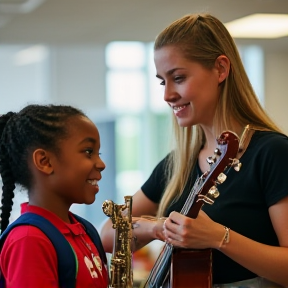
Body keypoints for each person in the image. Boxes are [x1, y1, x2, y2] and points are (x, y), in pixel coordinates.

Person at [100, 13, 288, 287]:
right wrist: (157, 227)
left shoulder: (272, 153)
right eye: (163, 82)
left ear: (221, 69)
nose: (167, 95)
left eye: (178, 77)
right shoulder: (177, 165)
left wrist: (219, 237)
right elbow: (108, 234)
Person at [0, 104, 108, 288]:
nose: (101, 164)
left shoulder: (85, 229)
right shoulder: (29, 240)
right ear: (45, 161)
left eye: (99, 153)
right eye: (88, 152)